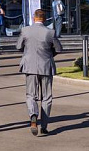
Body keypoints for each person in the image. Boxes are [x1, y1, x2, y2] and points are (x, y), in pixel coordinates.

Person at [17, 8, 62, 136]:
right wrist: (49, 55)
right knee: (46, 96)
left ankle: (33, 115)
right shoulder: (50, 32)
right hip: (46, 66)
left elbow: (18, 46)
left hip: (30, 66)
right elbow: (59, 48)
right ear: (44, 19)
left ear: (33, 18)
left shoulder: (25, 30)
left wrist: (28, 53)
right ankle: (44, 126)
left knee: (31, 94)